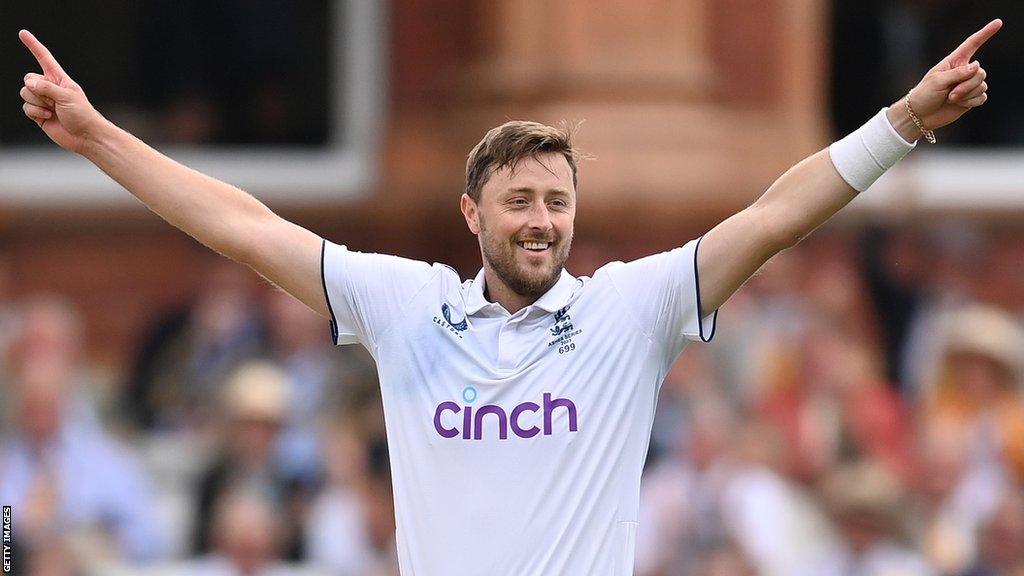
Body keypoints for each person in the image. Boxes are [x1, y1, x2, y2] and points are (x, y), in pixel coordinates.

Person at [16, 18, 1002, 575]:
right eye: (519, 201)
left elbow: (776, 215)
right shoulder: (405, 306)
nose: (540, 220)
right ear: (472, 214)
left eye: (557, 202)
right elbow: (242, 226)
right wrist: (98, 137)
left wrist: (904, 120)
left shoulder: (630, 308)